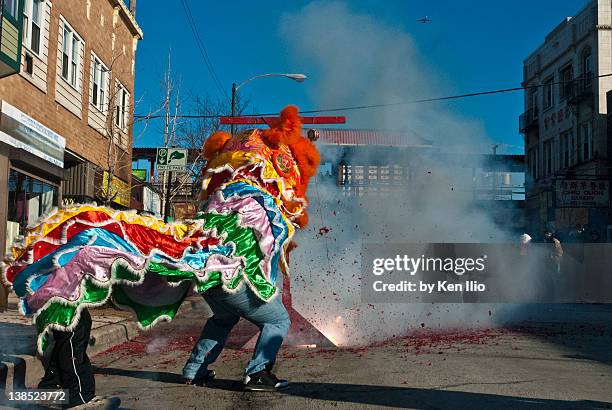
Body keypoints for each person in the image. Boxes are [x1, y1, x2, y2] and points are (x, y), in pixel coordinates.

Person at [38, 309, 120, 408]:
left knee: (82, 321)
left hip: (64, 296)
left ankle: (50, 388)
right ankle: (78, 397)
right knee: (72, 327)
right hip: (59, 297)